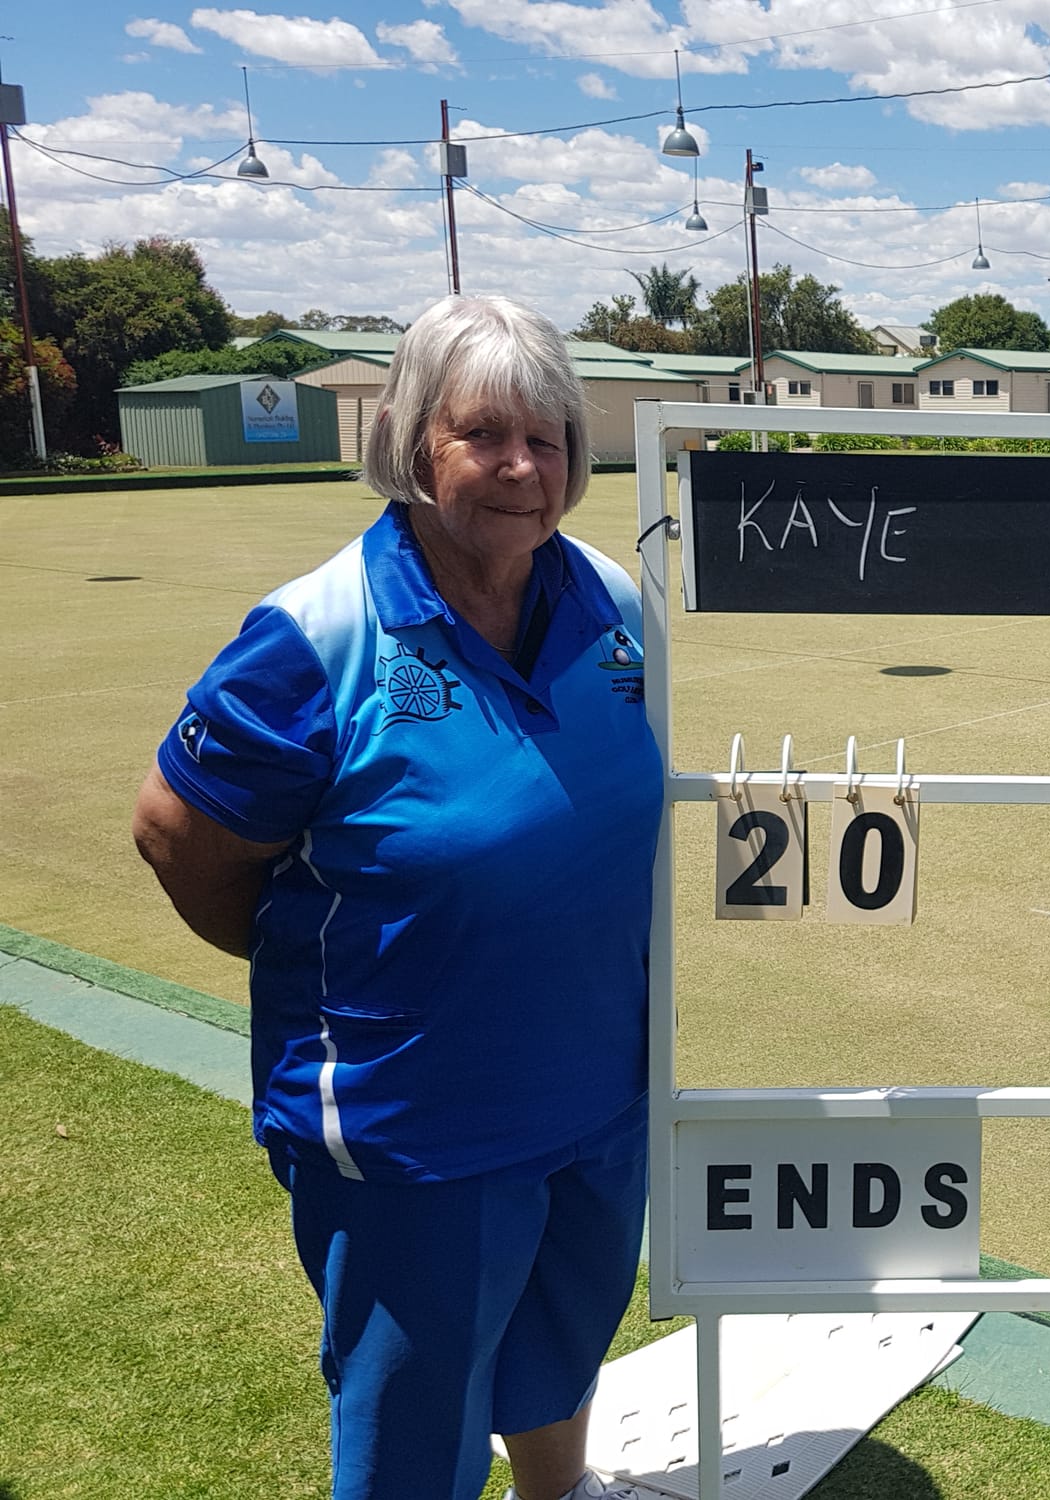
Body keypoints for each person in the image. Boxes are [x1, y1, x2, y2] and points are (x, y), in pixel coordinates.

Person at [132, 295, 662, 1500]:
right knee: (414, 1419)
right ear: (411, 443)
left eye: (549, 436)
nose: (523, 467)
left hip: (595, 1098)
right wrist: (342, 973)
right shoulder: (311, 637)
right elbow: (178, 841)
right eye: (483, 435)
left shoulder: (612, 605)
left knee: (557, 1351)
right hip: (408, 1131)